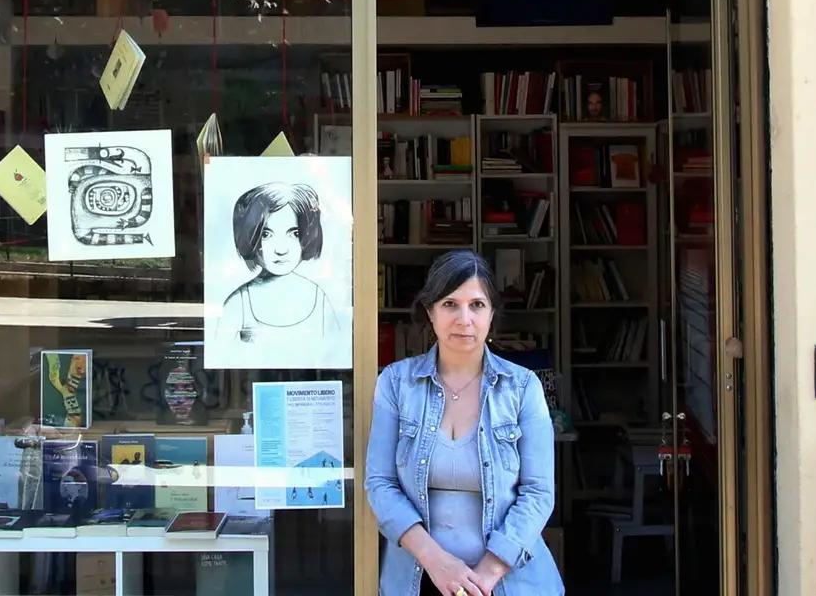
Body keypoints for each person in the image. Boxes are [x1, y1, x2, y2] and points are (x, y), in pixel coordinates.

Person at [365, 251, 562, 596]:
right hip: (417, 580)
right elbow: (380, 483)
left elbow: (539, 493)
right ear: (430, 311)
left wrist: (484, 576)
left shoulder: (522, 386)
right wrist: (437, 563)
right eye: (450, 304)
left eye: (477, 305)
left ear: (492, 314)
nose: (464, 318)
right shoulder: (396, 383)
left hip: (509, 584)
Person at [214, 182, 340, 356]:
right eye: (266, 234)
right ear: (250, 236)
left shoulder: (319, 299)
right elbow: (221, 359)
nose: (281, 249)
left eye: (294, 233)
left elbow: (337, 351)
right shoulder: (238, 304)